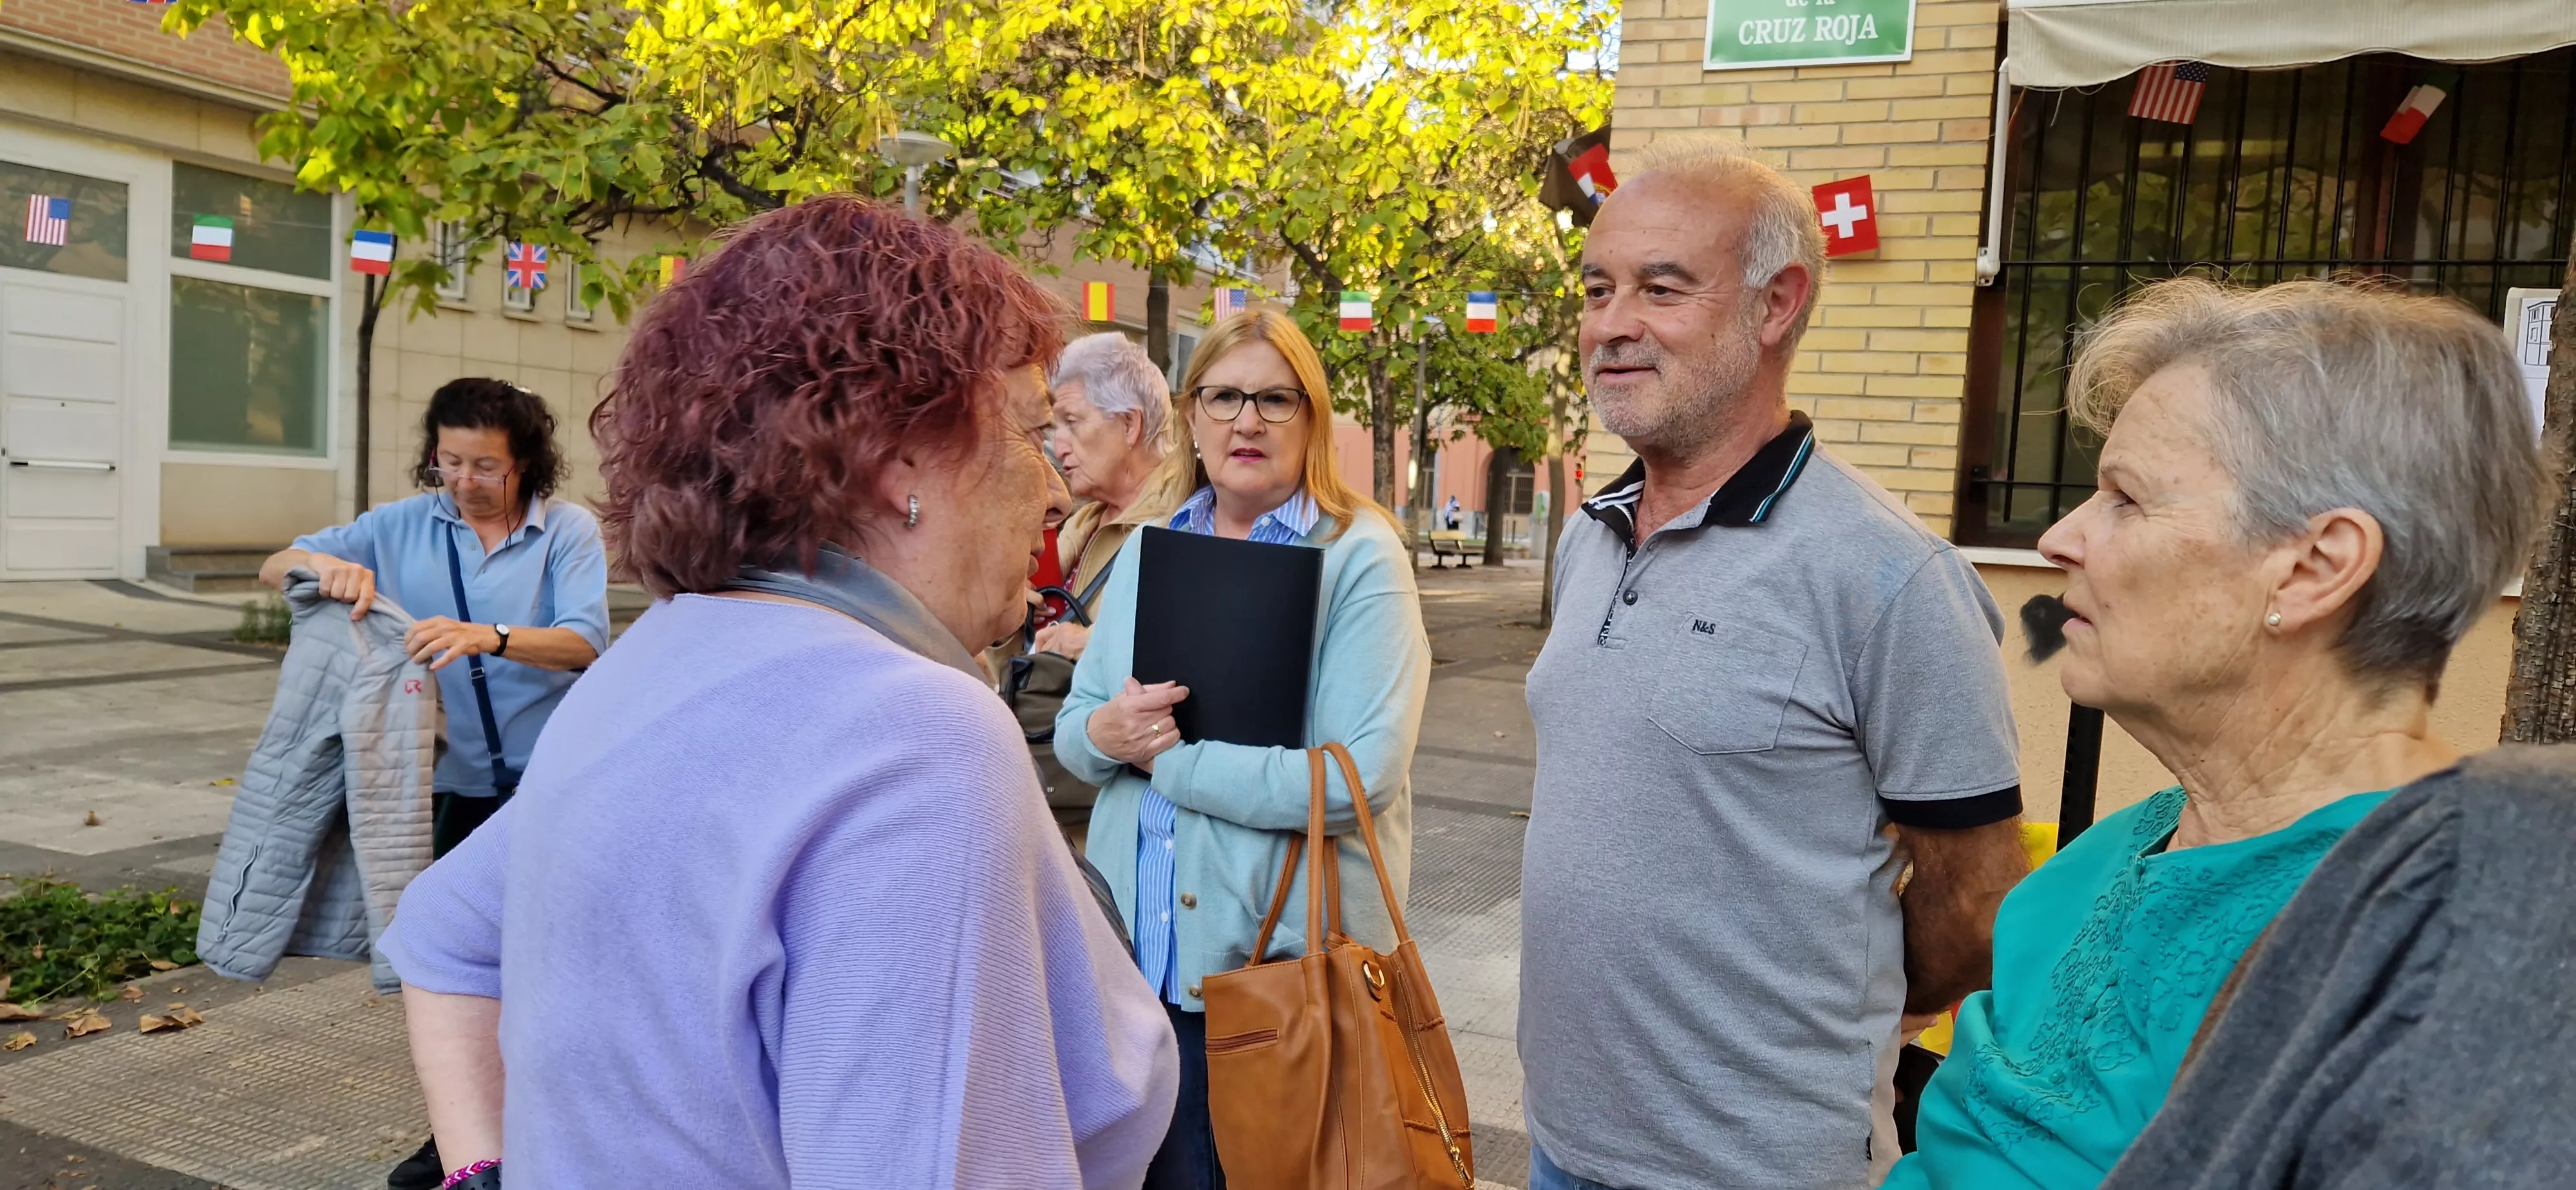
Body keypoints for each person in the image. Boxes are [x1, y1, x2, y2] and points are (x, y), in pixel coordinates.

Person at [377, 196, 1179, 1188]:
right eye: (1028, 431)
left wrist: (481, 1176)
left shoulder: (657, 654)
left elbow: (445, 931)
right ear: (899, 465)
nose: (1055, 489)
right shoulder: (917, 735)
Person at [1886, 277, 2547, 1189]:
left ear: (2315, 567)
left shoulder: (2450, 938)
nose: (2061, 538)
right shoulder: (2106, 856)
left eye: (2126, 498)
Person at [1518, 138, 2030, 1190]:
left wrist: (1820, 1029)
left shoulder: (1889, 576)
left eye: (1662, 289)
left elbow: (1976, 907)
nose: (1612, 324)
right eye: (1599, 289)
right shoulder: (1590, 534)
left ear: (1777, 304)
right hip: (1562, 1146)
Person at [1055, 308, 1432, 1189]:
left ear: (1313, 418)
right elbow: (1076, 736)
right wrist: (1108, 733)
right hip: (1127, 979)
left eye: (1274, 398)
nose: (1247, 421)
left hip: (1267, 992)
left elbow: (1356, 779)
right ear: (1190, 416)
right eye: (1224, 397)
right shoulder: (1155, 547)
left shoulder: (1358, 556)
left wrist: (1168, 762)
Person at [260, 379, 609, 858]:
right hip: (431, 778)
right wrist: (323, 566)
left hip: (546, 774)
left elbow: (584, 643)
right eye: (450, 461)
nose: (464, 482)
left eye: (487, 467)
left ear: (525, 462)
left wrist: (487, 637)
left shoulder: (567, 531)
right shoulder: (398, 523)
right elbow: (276, 565)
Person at [1036, 332, 1188, 660]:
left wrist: (1091, 646)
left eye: (1072, 422)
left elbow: (1194, 651)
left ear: (1130, 424)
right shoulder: (1081, 522)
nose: (1058, 447)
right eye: (1053, 428)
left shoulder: (1191, 521)